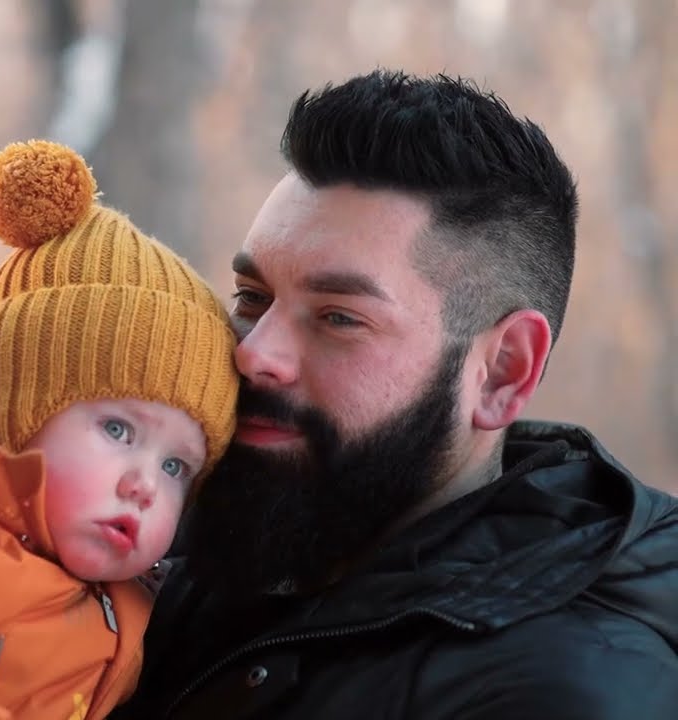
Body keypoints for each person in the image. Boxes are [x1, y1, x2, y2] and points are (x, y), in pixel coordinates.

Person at [108, 69, 678, 719]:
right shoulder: (160, 555)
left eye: (338, 318)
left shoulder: (557, 695)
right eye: (252, 298)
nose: (254, 352)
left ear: (502, 373)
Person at [0, 140, 239, 720]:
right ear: (14, 405)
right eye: (117, 430)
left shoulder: (137, 610)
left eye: (176, 466)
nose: (144, 485)